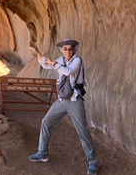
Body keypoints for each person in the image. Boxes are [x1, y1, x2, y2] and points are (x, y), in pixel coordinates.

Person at [27, 39, 99, 175]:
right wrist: (38, 54)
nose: (67, 51)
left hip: (74, 101)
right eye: (65, 49)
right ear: (61, 50)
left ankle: (93, 162)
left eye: (70, 49)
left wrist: (53, 63)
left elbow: (68, 71)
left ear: (74, 50)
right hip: (61, 101)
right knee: (46, 122)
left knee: (82, 131)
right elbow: (46, 65)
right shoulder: (60, 60)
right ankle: (42, 153)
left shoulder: (77, 60)